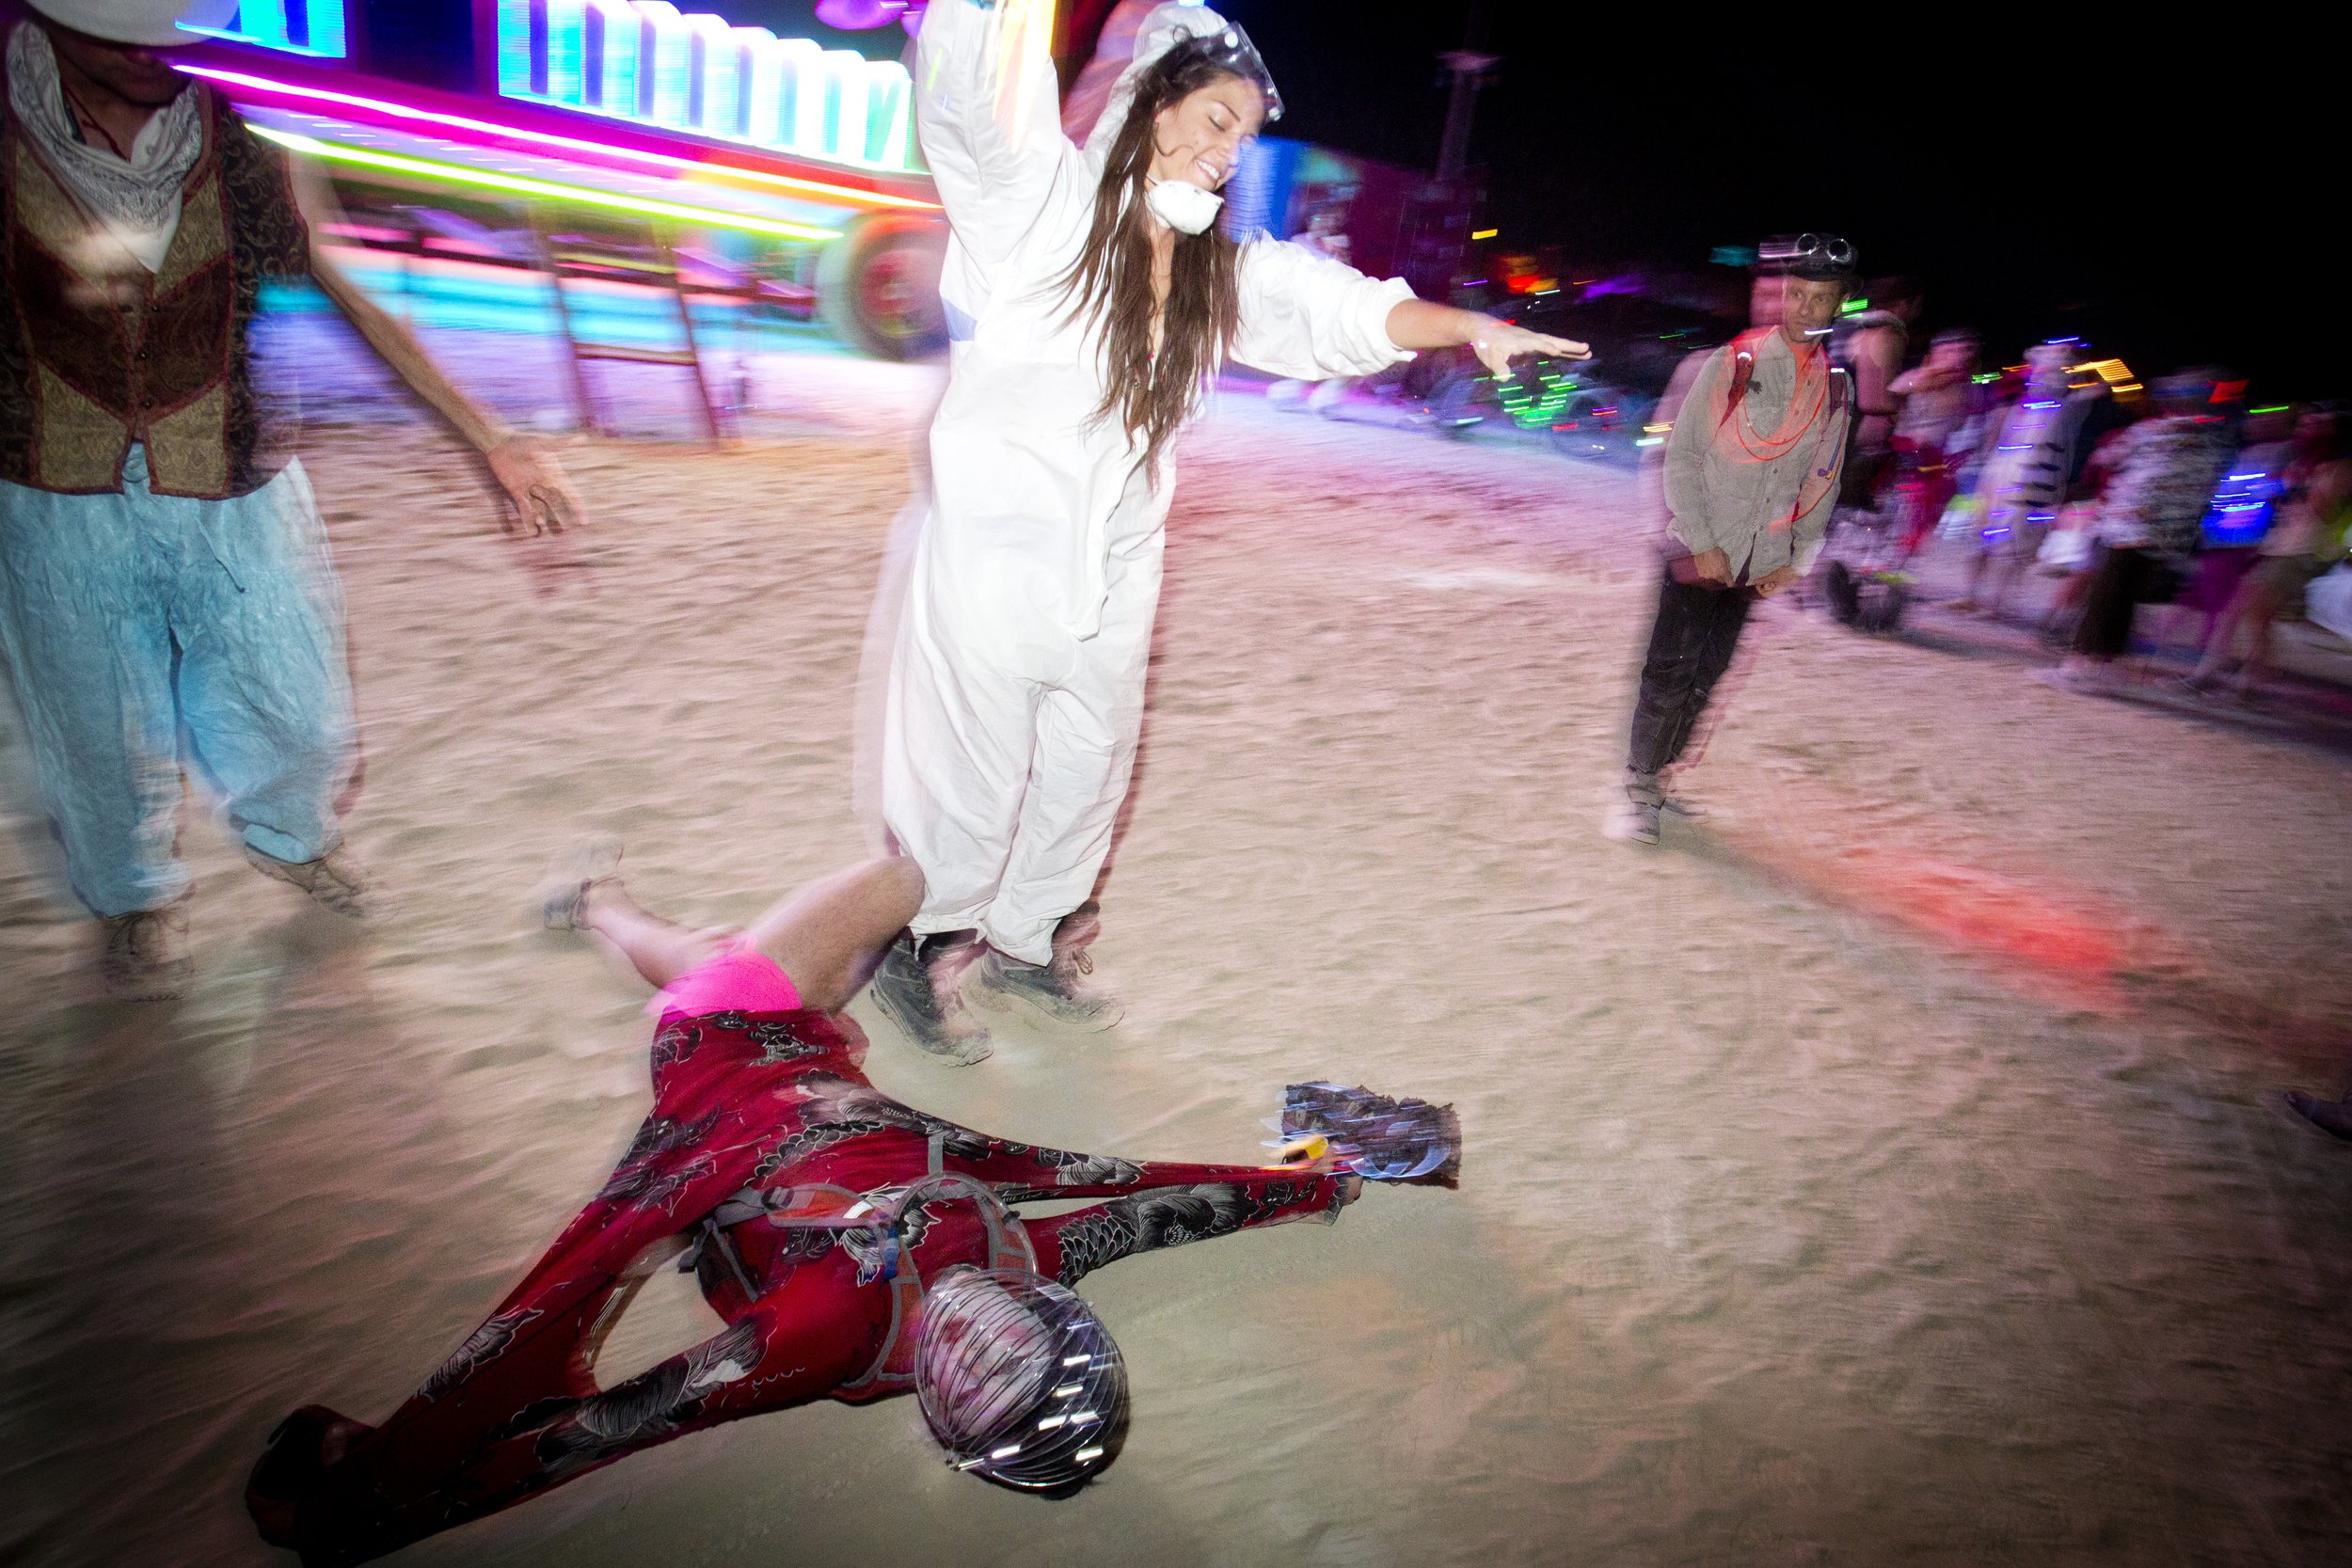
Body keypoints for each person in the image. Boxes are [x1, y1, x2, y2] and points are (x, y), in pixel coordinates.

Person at [243, 842, 1458, 1563]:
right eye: (1023, 1334)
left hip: (721, 1052)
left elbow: (611, 1416)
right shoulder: (1028, 1244)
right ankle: (617, 908)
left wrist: (380, 1490)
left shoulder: (832, 1329)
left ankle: (610, 904)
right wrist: (1336, 1165)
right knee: (745, 943)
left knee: (893, 875)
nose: (982, 1323)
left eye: (971, 1362)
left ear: (936, 1400)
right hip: (808, 1064)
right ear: (1055, 1314)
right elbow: (1167, 1196)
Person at [873, 0, 1583, 1057]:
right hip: (999, 548)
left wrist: (1468, 326)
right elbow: (984, 108)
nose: (1225, 151)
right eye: (1212, 119)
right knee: (971, 761)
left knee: (1089, 758)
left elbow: (1331, 307)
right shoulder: (1043, 210)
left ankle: (1027, 942)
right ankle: (920, 947)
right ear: (1151, 106)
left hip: (1116, 555)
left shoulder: (1215, 269)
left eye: (1240, 135)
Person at [0, 0, 583, 997]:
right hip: (55, 494)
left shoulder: (238, 143)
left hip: (235, 477)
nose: (155, 55)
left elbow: (351, 292)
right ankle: (134, 899)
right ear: (52, 27)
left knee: (301, 711)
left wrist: (491, 434)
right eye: (123, 35)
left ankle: (290, 834)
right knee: (91, 724)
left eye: (169, 32)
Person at [1606, 233, 1854, 846]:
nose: (1782, 307)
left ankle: (1660, 778)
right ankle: (1636, 787)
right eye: (1770, 294)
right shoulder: (1718, 367)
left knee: (1708, 676)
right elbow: (1667, 455)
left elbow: (1819, 481)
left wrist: (1797, 557)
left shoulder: (1827, 385)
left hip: (1754, 561)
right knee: (1668, 671)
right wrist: (1674, 539)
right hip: (1694, 549)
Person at [2041, 372, 2237, 691]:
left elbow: (2107, 456)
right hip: (2166, 535)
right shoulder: (2213, 441)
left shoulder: (2154, 431)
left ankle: (2077, 667)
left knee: (2105, 597)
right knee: (2124, 600)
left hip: (2129, 527)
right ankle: (2108, 667)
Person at [2186, 410, 2350, 700]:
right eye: (2304, 424)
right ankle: (2241, 681)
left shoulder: (2338, 467)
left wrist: (2302, 484)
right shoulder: (2300, 462)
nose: (2306, 431)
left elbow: (2323, 511)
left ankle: (2225, 676)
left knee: (2250, 612)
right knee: (2249, 614)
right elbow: (2277, 502)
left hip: (2303, 551)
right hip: (2278, 547)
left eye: (2315, 425)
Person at [1948, 342, 2100, 618]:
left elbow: (2097, 386)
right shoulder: (2026, 405)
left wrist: (2073, 362)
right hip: (2001, 473)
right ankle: (1971, 595)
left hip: (2034, 481)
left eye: (2050, 371)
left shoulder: (2068, 406)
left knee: (2014, 543)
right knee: (1983, 535)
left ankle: (1996, 603)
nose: (2040, 375)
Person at [1885, 328, 1982, 555]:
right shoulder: (1916, 378)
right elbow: (1891, 401)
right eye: (1950, 350)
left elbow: (1964, 425)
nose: (1958, 356)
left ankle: (1906, 547)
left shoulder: (1965, 386)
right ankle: (1900, 545)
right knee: (1919, 498)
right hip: (1909, 452)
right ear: (1936, 352)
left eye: (1965, 350)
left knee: (1937, 496)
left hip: (1937, 457)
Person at [1829, 275, 1921, 513]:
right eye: (1917, 306)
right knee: (1853, 502)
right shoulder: (1887, 333)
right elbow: (1874, 399)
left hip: (1842, 422)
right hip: (1867, 425)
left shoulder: (1856, 328)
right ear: (1903, 304)